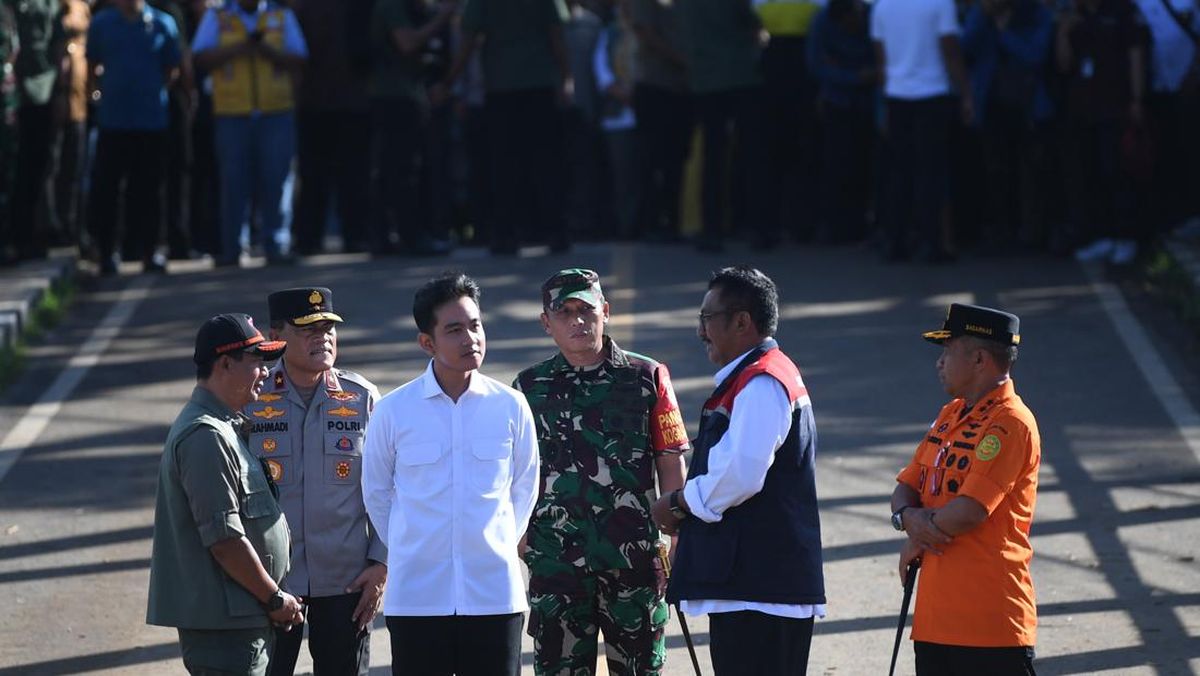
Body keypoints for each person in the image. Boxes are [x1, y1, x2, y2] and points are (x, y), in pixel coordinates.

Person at [361, 272, 539, 676]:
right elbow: (376, 491)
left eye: (475, 325)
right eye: (454, 329)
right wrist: (412, 544)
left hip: (495, 594)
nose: (470, 339)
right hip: (418, 597)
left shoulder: (511, 406)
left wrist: (493, 541)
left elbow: (524, 486)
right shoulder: (394, 410)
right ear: (428, 342)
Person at [652, 266, 826, 675]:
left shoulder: (763, 382)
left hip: (761, 589)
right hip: (753, 587)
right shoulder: (754, 377)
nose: (700, 331)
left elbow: (742, 474)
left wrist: (679, 503)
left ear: (742, 321)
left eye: (707, 318)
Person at [514, 269, 688, 675]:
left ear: (605, 312)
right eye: (565, 312)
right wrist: (522, 541)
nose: (578, 320)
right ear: (546, 322)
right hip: (556, 562)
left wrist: (678, 538)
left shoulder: (647, 377)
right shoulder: (526, 387)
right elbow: (513, 470)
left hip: (634, 562)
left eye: (586, 310)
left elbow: (670, 458)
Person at [147, 313, 303, 675]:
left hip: (239, 616)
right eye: (257, 362)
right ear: (225, 364)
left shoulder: (225, 427)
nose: (265, 372)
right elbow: (224, 539)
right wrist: (274, 598)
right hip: (226, 628)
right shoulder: (206, 437)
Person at [890, 303, 1041, 675]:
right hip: (935, 621)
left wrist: (919, 529)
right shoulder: (950, 414)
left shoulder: (1010, 423)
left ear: (979, 359)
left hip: (990, 626)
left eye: (947, 351)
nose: (939, 363)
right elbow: (906, 486)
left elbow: (971, 510)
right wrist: (907, 519)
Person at [245, 288, 384, 676]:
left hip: (347, 581)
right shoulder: (251, 400)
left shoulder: (363, 399)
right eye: (307, 328)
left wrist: (381, 562)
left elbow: (393, 487)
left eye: (328, 328)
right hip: (271, 580)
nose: (321, 336)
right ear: (277, 334)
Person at [439, 0, 572, 255]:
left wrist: (449, 81)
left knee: (504, 166)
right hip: (538, 83)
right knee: (547, 162)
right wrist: (566, 77)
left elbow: (468, 39)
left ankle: (505, 234)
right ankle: (556, 231)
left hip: (501, 85)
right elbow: (557, 35)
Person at [192, 0, 307, 267]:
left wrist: (266, 50)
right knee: (233, 181)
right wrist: (242, 47)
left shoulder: (281, 17)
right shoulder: (217, 17)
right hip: (233, 112)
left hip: (276, 110)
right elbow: (200, 58)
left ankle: (276, 245)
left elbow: (300, 58)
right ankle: (233, 248)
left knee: (277, 179)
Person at [86, 0, 182, 275]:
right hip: (113, 121)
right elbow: (93, 64)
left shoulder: (163, 23)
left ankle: (150, 251)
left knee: (149, 190)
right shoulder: (103, 23)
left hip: (151, 120)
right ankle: (108, 252)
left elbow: (171, 68)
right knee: (108, 188)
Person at [871, 0, 972, 262]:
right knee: (932, 173)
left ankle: (896, 241)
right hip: (932, 93)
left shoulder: (883, 6)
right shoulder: (941, 4)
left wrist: (882, 103)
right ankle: (933, 242)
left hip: (897, 94)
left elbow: (881, 59)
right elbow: (950, 49)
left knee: (900, 172)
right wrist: (965, 93)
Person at [961, 0, 1055, 255]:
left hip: (1027, 105)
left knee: (1031, 170)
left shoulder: (1037, 14)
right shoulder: (983, 13)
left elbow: (1035, 55)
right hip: (991, 105)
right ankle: (998, 229)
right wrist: (984, 15)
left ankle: (1031, 231)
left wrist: (1005, 33)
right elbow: (966, 46)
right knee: (994, 169)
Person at [677, 0, 770, 252]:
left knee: (712, 158)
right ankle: (759, 228)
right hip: (742, 76)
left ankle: (712, 230)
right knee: (753, 154)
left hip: (705, 79)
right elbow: (754, 20)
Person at [367, 0, 457, 256]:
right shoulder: (391, 6)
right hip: (395, 98)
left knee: (399, 170)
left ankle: (390, 237)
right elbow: (406, 43)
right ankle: (409, 238)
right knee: (401, 171)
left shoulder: (417, 9)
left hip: (409, 96)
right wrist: (442, 18)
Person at [289, 0, 373, 256]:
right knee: (315, 176)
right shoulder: (305, 8)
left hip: (352, 102)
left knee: (353, 176)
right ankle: (309, 238)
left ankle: (353, 235)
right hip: (317, 102)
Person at [628, 0, 689, 242]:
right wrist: (684, 60)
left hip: (681, 90)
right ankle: (648, 223)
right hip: (654, 87)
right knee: (650, 159)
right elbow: (646, 34)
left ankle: (672, 222)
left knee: (676, 159)